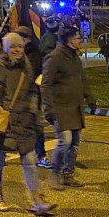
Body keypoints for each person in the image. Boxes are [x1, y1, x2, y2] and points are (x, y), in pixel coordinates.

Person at [0, 33, 55, 215]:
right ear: (6, 48)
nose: (17, 50)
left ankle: (38, 200)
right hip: (3, 122)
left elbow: (32, 91)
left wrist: (33, 111)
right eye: (12, 47)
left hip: (23, 121)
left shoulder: (27, 67)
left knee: (30, 160)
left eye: (19, 46)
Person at [42, 26, 95, 189]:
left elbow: (82, 79)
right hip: (60, 107)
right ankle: (55, 173)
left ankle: (68, 174)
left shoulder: (74, 57)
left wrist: (90, 98)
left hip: (75, 106)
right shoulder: (54, 57)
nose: (80, 40)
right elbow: (46, 84)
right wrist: (48, 108)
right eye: (77, 38)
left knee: (75, 144)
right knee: (65, 142)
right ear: (69, 40)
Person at [16, 26, 50, 168]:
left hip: (30, 96)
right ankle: (1, 153)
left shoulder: (34, 54)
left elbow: (33, 73)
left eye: (21, 38)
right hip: (13, 96)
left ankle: (41, 155)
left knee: (36, 126)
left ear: (28, 39)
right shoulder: (11, 53)